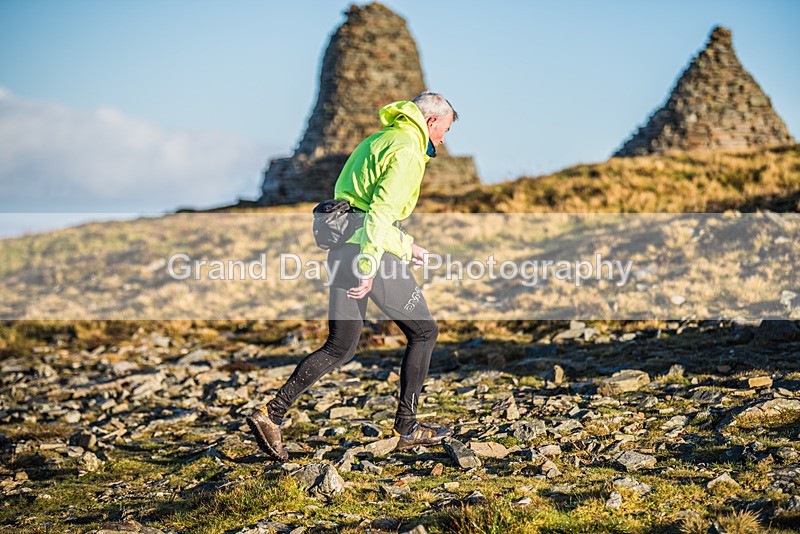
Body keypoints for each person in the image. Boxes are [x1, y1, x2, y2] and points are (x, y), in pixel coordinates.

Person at [246, 92, 458, 460]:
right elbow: (377, 213)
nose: (442, 141)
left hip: (342, 248)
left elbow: (358, 206)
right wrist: (369, 264)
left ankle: (271, 414)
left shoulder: (378, 140)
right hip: (367, 254)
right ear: (431, 122)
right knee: (424, 331)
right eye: (444, 131)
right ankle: (407, 428)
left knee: (339, 345)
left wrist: (407, 246)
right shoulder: (408, 150)